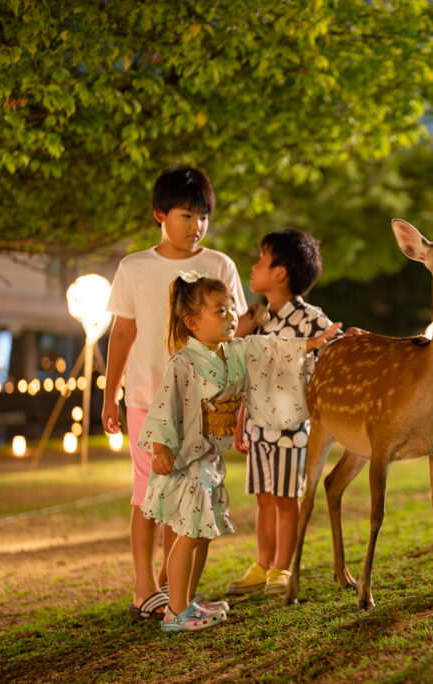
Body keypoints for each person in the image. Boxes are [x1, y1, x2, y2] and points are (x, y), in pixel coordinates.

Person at [139, 273, 341, 632]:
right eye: (221, 310)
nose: (232, 315)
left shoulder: (236, 351)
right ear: (192, 322)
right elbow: (162, 409)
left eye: (232, 307)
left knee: (202, 534)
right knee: (189, 535)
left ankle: (187, 599)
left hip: (209, 462)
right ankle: (176, 611)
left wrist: (312, 343)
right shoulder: (182, 363)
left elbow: (274, 349)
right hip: (186, 463)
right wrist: (159, 447)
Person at [101, 167, 248, 622]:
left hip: (205, 405)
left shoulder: (220, 265)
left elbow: (234, 333)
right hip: (147, 400)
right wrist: (110, 397)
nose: (196, 225)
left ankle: (176, 593)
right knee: (149, 493)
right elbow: (123, 334)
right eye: (186, 214)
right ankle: (145, 589)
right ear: (159, 214)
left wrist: (238, 401)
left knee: (193, 497)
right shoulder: (134, 268)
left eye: (202, 216)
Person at [227, 229, 339, 596]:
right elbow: (248, 371)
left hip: (292, 428)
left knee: (286, 500)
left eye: (262, 259)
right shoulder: (260, 320)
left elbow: (333, 353)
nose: (254, 266)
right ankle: (262, 563)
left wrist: (346, 340)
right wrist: (242, 419)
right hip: (258, 427)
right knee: (263, 498)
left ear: (280, 274)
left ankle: (281, 568)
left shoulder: (311, 320)